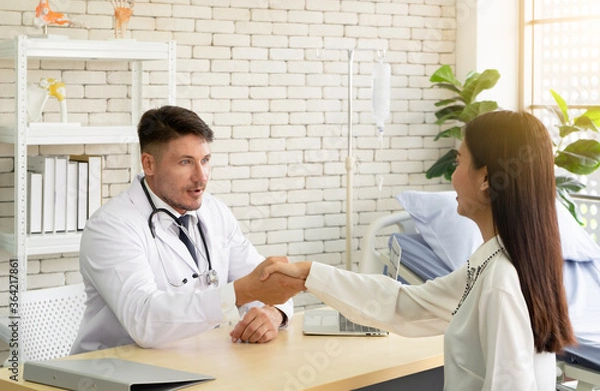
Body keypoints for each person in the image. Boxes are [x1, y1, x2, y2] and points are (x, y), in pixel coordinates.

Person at [260, 110, 576, 390]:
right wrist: (310, 275)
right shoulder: (494, 265)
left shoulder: (499, 282)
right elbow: (405, 304)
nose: (452, 176)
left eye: (459, 161)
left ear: (485, 178)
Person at [71, 105, 301, 354]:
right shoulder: (111, 227)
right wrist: (239, 293)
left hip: (196, 361)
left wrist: (273, 313)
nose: (201, 177)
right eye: (185, 162)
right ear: (149, 164)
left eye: (205, 160)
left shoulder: (215, 212)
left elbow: (263, 282)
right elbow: (145, 321)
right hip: (116, 373)